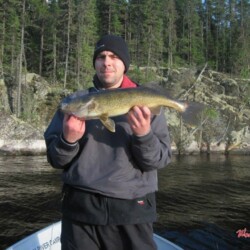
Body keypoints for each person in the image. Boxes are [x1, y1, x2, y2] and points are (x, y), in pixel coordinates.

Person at [44, 34, 172, 250]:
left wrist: (144, 135)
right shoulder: (75, 102)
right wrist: (68, 140)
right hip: (80, 211)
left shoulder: (146, 103)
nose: (107, 62)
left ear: (125, 63)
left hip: (132, 211)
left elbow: (157, 160)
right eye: (101, 56)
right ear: (95, 62)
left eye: (114, 56)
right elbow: (55, 159)